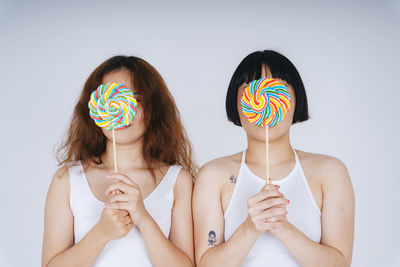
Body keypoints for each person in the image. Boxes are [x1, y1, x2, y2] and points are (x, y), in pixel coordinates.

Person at [193, 50, 355, 266]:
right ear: (237, 102)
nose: (265, 100)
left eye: (276, 89)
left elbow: (340, 263)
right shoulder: (213, 176)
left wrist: (283, 228)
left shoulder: (330, 172)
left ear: (296, 99)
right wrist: (251, 227)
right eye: (252, 90)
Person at [42, 56, 195, 267]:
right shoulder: (67, 179)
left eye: (135, 99)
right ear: (95, 110)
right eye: (111, 98)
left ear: (153, 109)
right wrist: (101, 233)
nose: (121, 107)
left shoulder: (178, 180)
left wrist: (142, 217)